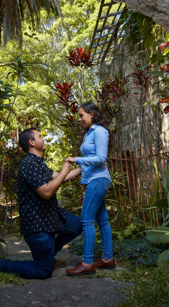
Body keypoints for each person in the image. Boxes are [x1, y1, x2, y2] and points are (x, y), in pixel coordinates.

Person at [0, 128, 82, 279]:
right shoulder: (28, 164)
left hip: (51, 217)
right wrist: (64, 172)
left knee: (76, 225)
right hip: (38, 225)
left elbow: (60, 178)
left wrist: (85, 166)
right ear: (32, 142)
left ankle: (49, 255)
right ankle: (0, 264)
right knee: (44, 271)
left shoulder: (39, 163)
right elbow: (46, 193)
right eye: (40, 136)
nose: (43, 139)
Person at [64, 101, 115, 276]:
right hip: (94, 179)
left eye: (81, 115)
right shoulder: (88, 133)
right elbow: (90, 162)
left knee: (86, 220)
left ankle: (87, 263)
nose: (79, 119)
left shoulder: (100, 131)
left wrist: (76, 159)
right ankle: (108, 258)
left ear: (91, 114)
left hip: (98, 180)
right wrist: (73, 173)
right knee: (102, 221)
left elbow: (101, 158)